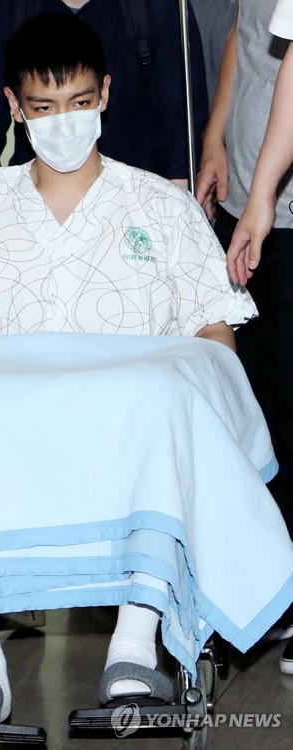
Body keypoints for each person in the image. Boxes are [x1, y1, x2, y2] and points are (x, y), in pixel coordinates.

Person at [0, 13, 291, 725]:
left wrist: (191, 383)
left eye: (79, 102)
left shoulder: (161, 206)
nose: (64, 122)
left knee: (163, 389)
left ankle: (134, 648)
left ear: (106, 94)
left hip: (129, 435)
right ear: (13, 108)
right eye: (43, 108)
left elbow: (213, 331)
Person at [196, 1, 293, 539]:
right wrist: (216, 140)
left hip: (278, 212)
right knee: (249, 396)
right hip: (245, 209)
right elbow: (243, 31)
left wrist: (264, 195)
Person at [0, 0, 208, 187]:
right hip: (34, 193)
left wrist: (173, 213)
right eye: (45, 106)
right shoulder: (8, 7)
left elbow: (178, 124)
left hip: (135, 193)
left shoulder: (152, 8)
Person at [223, 0, 293, 677]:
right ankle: (275, 591)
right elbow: (268, 50)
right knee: (267, 406)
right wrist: (261, 193)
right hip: (261, 202)